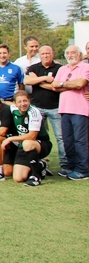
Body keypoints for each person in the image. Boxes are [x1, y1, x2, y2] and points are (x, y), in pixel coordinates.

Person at [23, 45, 65, 168]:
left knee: (60, 137)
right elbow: (27, 81)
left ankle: (65, 163)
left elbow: (57, 86)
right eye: (43, 54)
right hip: (38, 108)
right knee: (36, 135)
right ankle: (40, 162)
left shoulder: (60, 68)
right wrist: (46, 79)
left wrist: (38, 81)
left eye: (48, 53)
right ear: (39, 55)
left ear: (53, 54)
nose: (45, 56)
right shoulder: (33, 67)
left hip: (56, 107)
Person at [52, 45, 89, 179]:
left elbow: (80, 84)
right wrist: (69, 84)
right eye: (67, 53)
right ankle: (71, 166)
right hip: (64, 109)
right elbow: (54, 86)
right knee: (67, 140)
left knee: (80, 141)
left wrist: (63, 84)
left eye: (73, 52)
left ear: (79, 54)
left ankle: (83, 169)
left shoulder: (85, 67)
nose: (70, 55)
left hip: (80, 109)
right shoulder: (62, 68)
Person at [2, 91, 53, 186]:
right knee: (18, 178)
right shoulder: (13, 109)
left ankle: (36, 177)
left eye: (25, 101)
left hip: (41, 144)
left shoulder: (34, 112)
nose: (23, 104)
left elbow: (32, 136)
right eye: (19, 102)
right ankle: (41, 165)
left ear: (29, 101)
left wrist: (10, 139)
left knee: (27, 143)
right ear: (15, 104)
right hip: (24, 145)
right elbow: (4, 104)